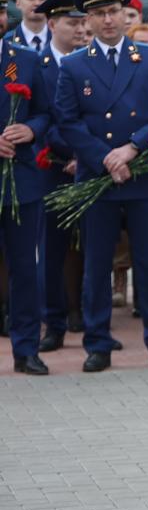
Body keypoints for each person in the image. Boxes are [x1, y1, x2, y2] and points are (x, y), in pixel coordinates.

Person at [56, 0, 148, 372]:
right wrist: (104, 157)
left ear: (127, 15)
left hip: (143, 175)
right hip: (97, 179)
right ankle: (97, 343)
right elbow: (67, 120)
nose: (107, 19)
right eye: (98, 13)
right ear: (87, 21)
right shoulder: (75, 65)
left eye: (113, 11)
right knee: (97, 264)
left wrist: (131, 149)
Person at [36, 0, 88, 355]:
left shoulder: (90, 62)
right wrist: (63, 154)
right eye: (73, 23)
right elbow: (38, 119)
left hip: (89, 167)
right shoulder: (34, 66)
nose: (81, 29)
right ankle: (53, 321)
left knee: (92, 249)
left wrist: (84, 154)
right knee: (51, 251)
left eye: (84, 22)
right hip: (49, 170)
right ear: (52, 23)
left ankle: (87, 317)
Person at [1, 24, 52, 374]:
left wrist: (32, 129)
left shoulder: (27, 59)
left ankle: (26, 348)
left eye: (1, 10)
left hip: (21, 178)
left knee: (24, 268)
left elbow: (47, 112)